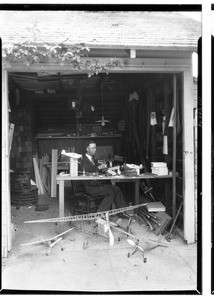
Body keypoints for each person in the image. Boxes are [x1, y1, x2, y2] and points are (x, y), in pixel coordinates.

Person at [78, 140, 127, 212]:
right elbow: (87, 174)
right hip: (89, 186)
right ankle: (99, 214)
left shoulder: (94, 159)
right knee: (110, 192)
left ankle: (122, 212)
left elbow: (97, 170)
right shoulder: (82, 160)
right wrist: (98, 168)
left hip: (96, 184)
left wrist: (104, 170)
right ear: (87, 149)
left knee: (116, 188)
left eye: (95, 148)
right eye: (93, 148)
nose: (95, 150)